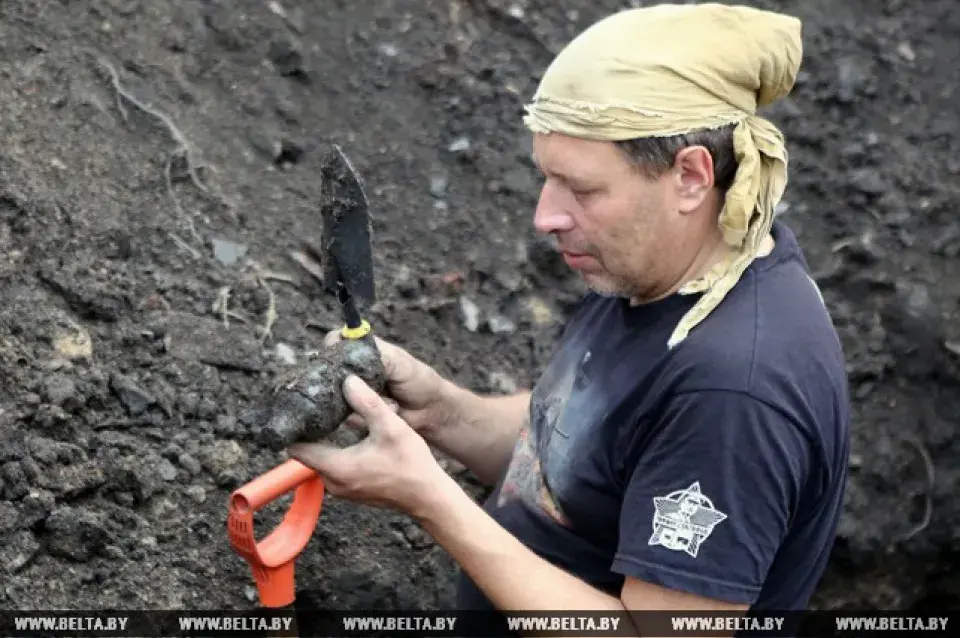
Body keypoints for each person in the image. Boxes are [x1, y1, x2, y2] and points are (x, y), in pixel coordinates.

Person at [288, 1, 850, 627]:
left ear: (691, 176)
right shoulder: (657, 264)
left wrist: (432, 502)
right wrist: (443, 411)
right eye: (547, 179)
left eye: (581, 189)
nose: (546, 216)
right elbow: (581, 459)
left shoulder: (733, 393)